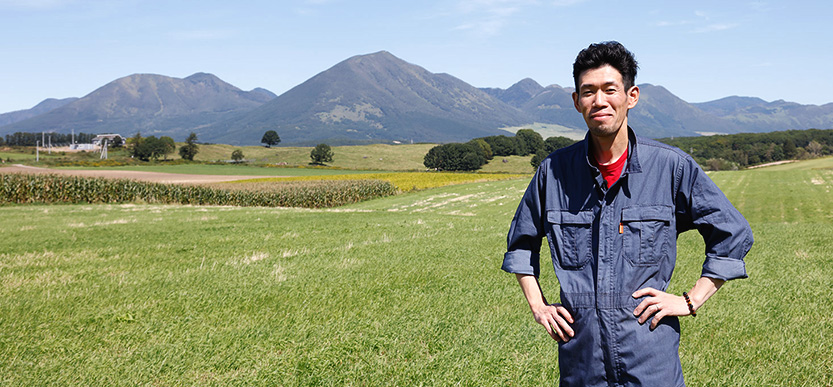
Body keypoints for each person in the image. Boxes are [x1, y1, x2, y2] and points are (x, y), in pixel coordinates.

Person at [501, 41, 753, 386]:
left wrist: (691, 301)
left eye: (610, 90)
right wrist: (538, 306)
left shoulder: (671, 167)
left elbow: (732, 233)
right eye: (587, 91)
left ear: (631, 96)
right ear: (576, 101)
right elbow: (520, 246)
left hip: (651, 361)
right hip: (581, 363)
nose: (599, 101)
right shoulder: (554, 173)